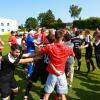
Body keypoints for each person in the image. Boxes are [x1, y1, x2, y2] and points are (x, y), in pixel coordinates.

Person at [38, 30, 74, 100]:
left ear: (55, 37)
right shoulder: (67, 48)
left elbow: (39, 51)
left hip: (52, 74)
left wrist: (40, 46)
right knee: (62, 96)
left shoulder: (50, 47)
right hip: (61, 74)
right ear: (62, 37)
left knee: (46, 95)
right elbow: (72, 54)